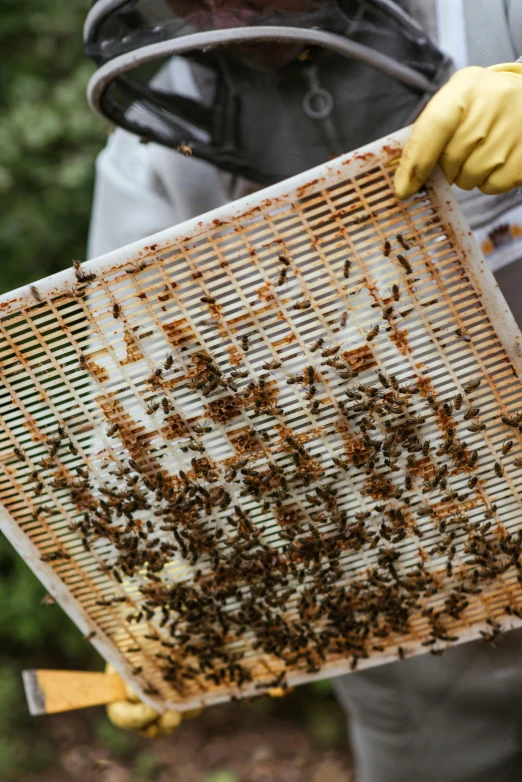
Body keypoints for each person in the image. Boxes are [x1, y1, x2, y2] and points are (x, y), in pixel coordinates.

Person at [85, 1, 522, 778]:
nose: (222, 11)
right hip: (417, 611)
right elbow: (138, 421)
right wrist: (156, 607)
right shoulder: (156, 153)